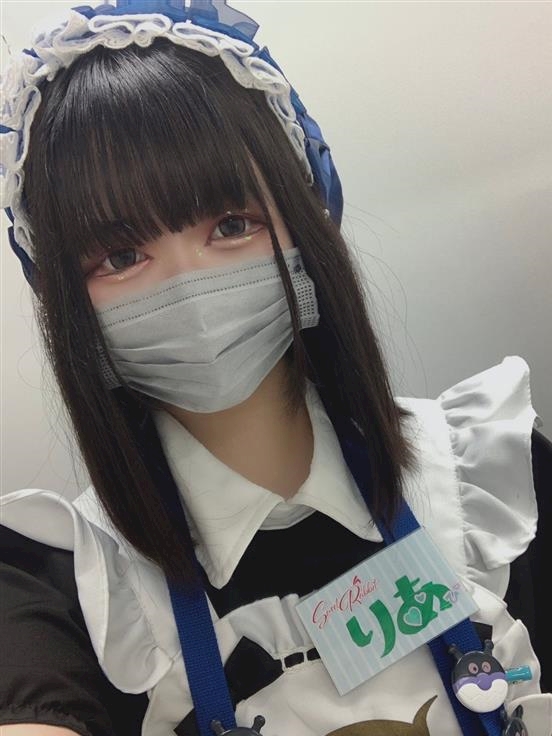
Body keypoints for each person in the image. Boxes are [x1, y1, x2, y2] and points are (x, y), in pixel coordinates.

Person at [0, 2, 550, 735]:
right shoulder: (61, 585)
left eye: (231, 225)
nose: (189, 288)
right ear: (66, 300)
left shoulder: (494, 476)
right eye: (122, 256)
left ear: (303, 225)